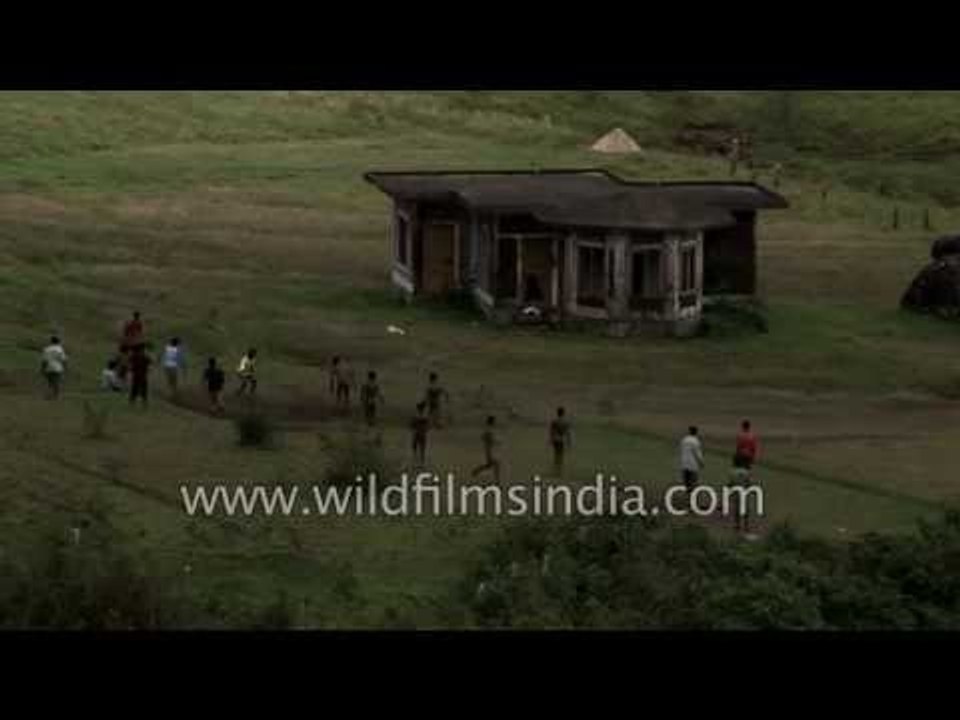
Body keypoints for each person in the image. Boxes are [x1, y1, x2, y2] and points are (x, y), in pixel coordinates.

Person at [471, 416, 502, 485]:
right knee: (496, 465)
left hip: (490, 449)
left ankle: (476, 471)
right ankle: (497, 481)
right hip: (490, 450)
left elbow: (484, 437)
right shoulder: (489, 429)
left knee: (490, 465)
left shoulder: (489, 429)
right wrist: (495, 442)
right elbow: (486, 438)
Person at [40, 335, 68, 400]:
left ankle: (49, 395)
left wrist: (42, 368)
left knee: (50, 382)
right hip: (58, 368)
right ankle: (57, 396)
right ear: (58, 341)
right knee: (57, 382)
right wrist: (65, 367)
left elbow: (44, 360)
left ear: (51, 341)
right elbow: (63, 359)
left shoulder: (46, 349)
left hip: (49, 368)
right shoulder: (60, 349)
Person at [680, 426, 706, 494]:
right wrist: (702, 462)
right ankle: (692, 497)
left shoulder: (684, 440)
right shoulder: (696, 441)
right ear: (696, 432)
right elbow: (697, 454)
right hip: (693, 465)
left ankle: (687, 495)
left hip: (684, 463)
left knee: (686, 482)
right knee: (693, 482)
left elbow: (682, 450)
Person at [548, 407, 572, 476]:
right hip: (561, 439)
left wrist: (550, 439)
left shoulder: (554, 421)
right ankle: (559, 468)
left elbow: (551, 431)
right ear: (563, 413)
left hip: (555, 439)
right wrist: (569, 441)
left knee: (556, 454)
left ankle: (556, 468)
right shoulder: (565, 422)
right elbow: (568, 432)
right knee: (561, 454)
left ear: (557, 413)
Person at [409, 402, 430, 466]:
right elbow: (428, 426)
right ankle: (421, 461)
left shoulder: (416, 416)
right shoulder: (425, 416)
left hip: (417, 433)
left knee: (415, 446)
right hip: (422, 433)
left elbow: (411, 425)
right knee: (422, 448)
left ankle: (416, 460)